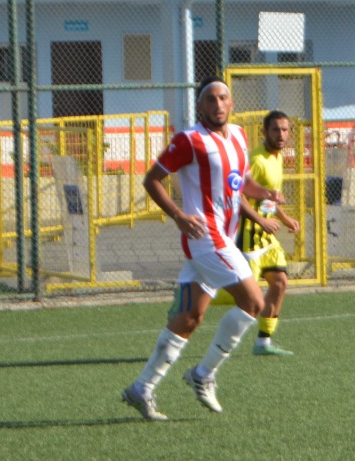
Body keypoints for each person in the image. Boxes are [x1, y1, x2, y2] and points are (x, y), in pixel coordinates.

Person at [120, 79, 284, 421]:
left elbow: (238, 183)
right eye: (210, 99)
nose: (217, 104)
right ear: (201, 107)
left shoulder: (238, 136)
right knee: (253, 301)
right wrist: (178, 216)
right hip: (205, 236)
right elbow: (152, 179)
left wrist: (265, 193)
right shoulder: (189, 140)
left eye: (223, 98)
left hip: (225, 234)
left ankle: (141, 388)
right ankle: (203, 374)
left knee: (190, 318)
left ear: (231, 103)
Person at [236, 109, 302, 357]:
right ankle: (197, 295)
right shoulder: (256, 160)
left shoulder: (278, 158)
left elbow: (267, 198)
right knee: (245, 300)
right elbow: (237, 196)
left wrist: (283, 218)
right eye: (276, 129)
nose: (281, 134)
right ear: (264, 132)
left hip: (266, 236)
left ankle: (263, 343)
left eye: (285, 130)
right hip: (248, 237)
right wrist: (261, 220)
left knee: (280, 282)